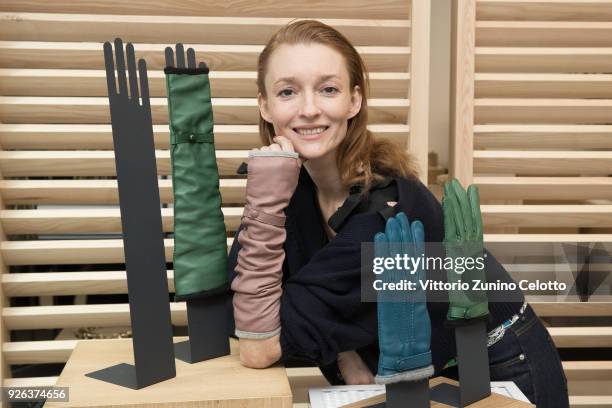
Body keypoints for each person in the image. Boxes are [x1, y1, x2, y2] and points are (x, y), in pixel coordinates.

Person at [224, 20, 569, 407]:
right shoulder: (295, 187)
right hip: (419, 373)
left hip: (499, 366)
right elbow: (236, 304)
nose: (308, 109)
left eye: (328, 89)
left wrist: (263, 206)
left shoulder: (382, 213)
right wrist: (343, 352)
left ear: (354, 101)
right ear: (264, 106)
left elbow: (260, 346)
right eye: (288, 91)